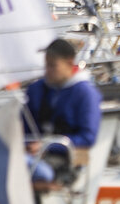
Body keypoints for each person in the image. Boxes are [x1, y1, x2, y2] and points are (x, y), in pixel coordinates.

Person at [25, 39, 102, 183]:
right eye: (46, 65)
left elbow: (87, 137)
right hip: (31, 153)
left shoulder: (85, 93)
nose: (48, 71)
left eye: (53, 66)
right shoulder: (36, 89)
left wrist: (47, 146)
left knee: (18, 168)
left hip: (60, 159)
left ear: (69, 63)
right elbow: (24, 125)